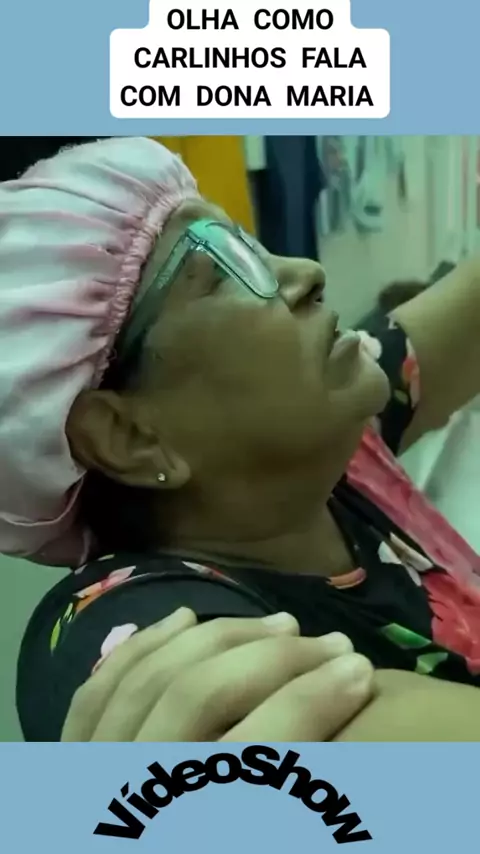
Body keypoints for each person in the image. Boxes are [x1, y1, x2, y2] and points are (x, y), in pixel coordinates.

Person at [4, 138, 480, 743]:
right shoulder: (137, 631)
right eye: (224, 273)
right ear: (128, 436)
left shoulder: (332, 457)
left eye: (251, 246)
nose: (305, 273)